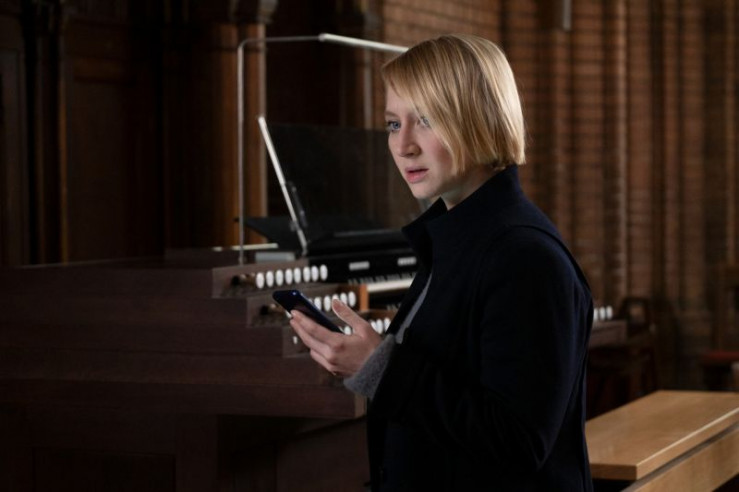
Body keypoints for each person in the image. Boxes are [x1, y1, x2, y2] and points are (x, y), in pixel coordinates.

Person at [289, 33, 594, 491]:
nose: (403, 145)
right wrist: (369, 362)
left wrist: (379, 368)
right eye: (394, 124)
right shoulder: (459, 237)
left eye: (427, 120)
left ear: (480, 118)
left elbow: (520, 440)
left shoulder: (523, 256)